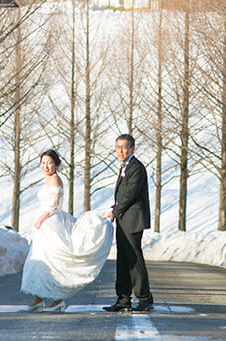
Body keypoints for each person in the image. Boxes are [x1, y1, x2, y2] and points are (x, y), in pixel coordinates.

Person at [20, 149, 113, 312]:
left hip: (51, 223)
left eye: (49, 163)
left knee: (54, 261)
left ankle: (57, 299)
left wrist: (40, 220)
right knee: (41, 260)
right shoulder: (48, 179)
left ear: (56, 164)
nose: (46, 166)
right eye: (43, 163)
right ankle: (39, 297)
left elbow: (54, 205)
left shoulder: (55, 179)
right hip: (46, 225)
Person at [103, 133, 154, 313]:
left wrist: (115, 211)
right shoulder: (125, 167)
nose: (121, 151)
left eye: (125, 147)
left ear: (132, 148)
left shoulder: (137, 167)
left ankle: (145, 298)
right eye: (118, 147)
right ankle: (123, 299)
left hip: (133, 220)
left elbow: (130, 193)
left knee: (134, 259)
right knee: (123, 260)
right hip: (124, 219)